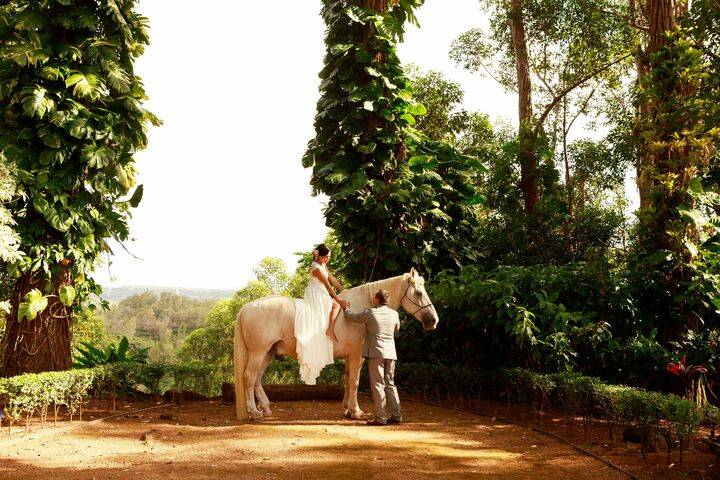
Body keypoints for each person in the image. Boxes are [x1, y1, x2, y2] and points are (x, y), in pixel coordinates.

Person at [344, 289, 403, 426]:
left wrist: (346, 308)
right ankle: (396, 415)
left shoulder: (370, 313)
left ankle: (380, 418)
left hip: (376, 354)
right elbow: (397, 333)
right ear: (387, 301)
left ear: (376, 299)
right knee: (390, 384)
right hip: (391, 354)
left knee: (378, 385)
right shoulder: (395, 314)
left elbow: (352, 317)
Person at [294, 244, 349, 385]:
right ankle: (330, 329)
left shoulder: (323, 266)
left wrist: (345, 290)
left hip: (322, 292)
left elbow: (333, 280)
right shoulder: (315, 267)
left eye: (328, 257)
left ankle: (329, 327)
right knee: (336, 305)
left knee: (335, 304)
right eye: (327, 257)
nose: (328, 259)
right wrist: (340, 300)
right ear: (321, 256)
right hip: (316, 293)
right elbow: (327, 285)